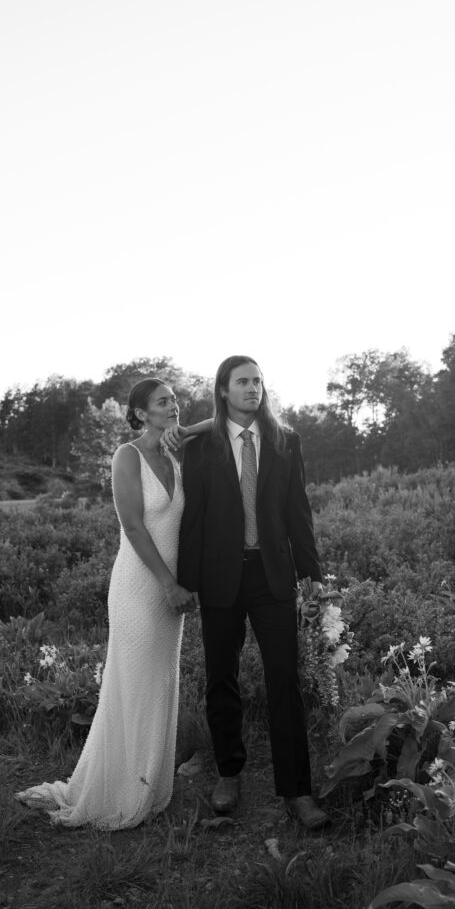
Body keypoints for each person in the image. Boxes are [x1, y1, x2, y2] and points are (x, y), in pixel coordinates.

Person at [15, 378, 204, 829]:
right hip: (142, 587)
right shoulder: (128, 455)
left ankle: (148, 785)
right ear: (140, 413)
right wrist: (169, 585)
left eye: (176, 400)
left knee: (159, 684)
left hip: (171, 589)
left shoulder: (175, 457)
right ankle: (114, 791)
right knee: (133, 685)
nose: (174, 407)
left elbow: (220, 425)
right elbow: (135, 527)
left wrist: (183, 583)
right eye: (163, 402)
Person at [170, 355, 330, 830]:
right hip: (220, 577)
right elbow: (192, 519)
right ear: (223, 390)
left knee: (285, 679)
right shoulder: (201, 448)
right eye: (242, 382)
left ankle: (297, 790)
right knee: (223, 679)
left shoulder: (285, 442)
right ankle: (228, 773)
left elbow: (299, 512)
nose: (253, 389)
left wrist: (312, 575)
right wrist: (186, 581)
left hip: (272, 576)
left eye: (258, 381)